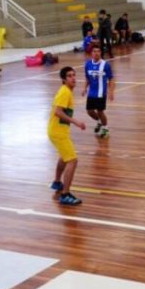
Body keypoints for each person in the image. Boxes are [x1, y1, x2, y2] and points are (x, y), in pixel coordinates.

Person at [48, 66, 86, 205]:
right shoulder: (65, 92)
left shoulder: (66, 92)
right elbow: (58, 112)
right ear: (64, 79)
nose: (73, 78)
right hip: (58, 132)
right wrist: (76, 122)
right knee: (72, 160)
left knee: (64, 157)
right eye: (69, 76)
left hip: (57, 131)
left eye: (74, 75)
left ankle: (57, 182)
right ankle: (65, 194)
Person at [82, 45, 115, 138]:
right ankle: (99, 121)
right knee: (89, 111)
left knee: (100, 112)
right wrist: (84, 88)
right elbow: (87, 78)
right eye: (94, 51)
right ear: (91, 53)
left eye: (98, 51)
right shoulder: (87, 64)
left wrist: (111, 92)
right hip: (91, 92)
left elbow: (111, 79)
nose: (96, 53)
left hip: (101, 93)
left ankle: (105, 129)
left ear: (100, 53)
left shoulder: (105, 65)